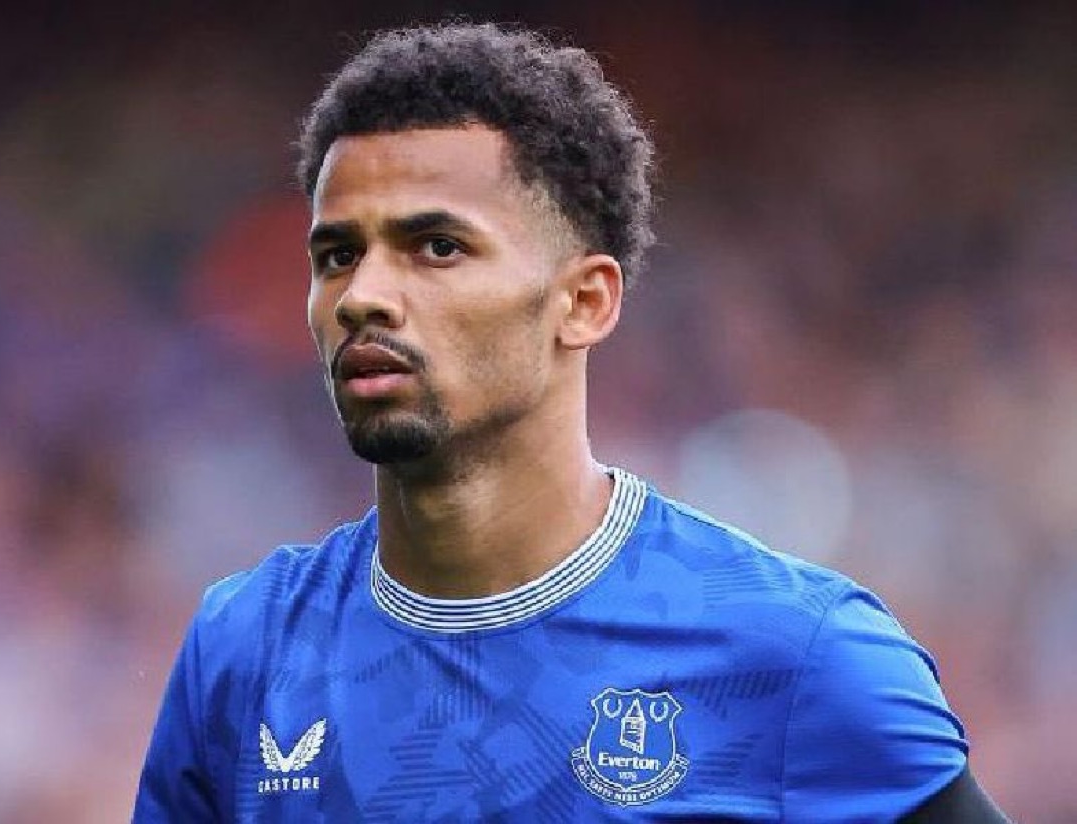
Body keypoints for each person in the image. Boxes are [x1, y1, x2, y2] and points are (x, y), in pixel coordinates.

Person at [134, 22, 1009, 822]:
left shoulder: (794, 654)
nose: (363, 295)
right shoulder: (246, 648)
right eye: (337, 255)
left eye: (437, 247)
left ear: (585, 301)